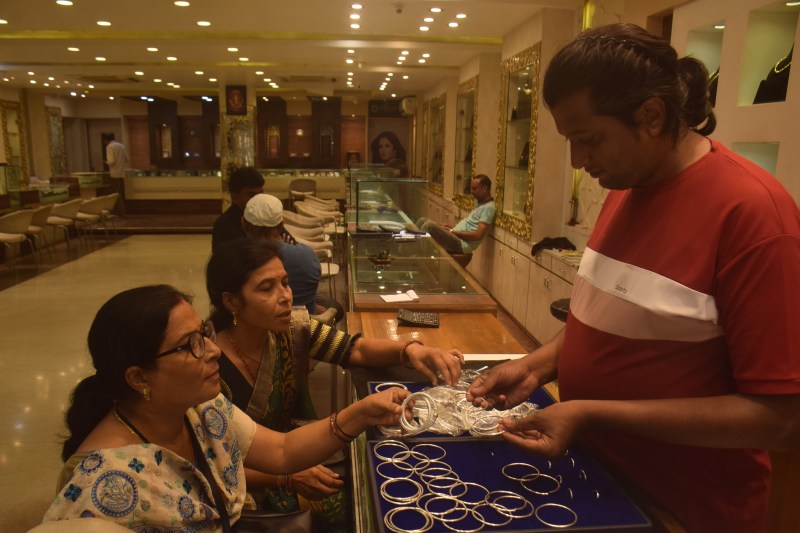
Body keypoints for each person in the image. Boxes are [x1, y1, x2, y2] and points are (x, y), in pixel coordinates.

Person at [466, 23, 800, 533]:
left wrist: (592, 412)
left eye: (589, 140)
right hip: (599, 483)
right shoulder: (625, 186)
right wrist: (538, 365)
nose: (579, 161)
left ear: (651, 116)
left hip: (683, 510)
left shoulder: (754, 215)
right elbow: (610, 314)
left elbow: (780, 418)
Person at [41, 285, 408, 530]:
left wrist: (361, 413)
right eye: (190, 344)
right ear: (138, 378)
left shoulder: (199, 407)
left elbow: (282, 450)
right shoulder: (101, 486)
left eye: (204, 334)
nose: (213, 350)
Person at [206, 239, 464, 530]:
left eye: (285, 283)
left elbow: (353, 349)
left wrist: (410, 350)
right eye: (267, 289)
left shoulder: (290, 329)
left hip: (294, 451)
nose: (286, 296)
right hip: (244, 488)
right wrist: (284, 477)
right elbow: (211, 462)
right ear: (231, 302)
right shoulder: (207, 367)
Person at [243, 193, 344, 321]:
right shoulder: (306, 255)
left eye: (285, 283)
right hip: (308, 328)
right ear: (282, 224)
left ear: (244, 224)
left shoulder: (239, 262)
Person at [416, 174, 495, 255]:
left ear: (484, 188)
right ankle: (416, 252)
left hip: (462, 244)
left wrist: (453, 232)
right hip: (456, 236)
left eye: (474, 189)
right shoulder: (481, 205)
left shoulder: (489, 208)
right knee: (422, 220)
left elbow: (477, 236)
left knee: (429, 226)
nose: (472, 192)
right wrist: (451, 228)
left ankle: (420, 256)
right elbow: (469, 227)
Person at [212, 166, 264, 252]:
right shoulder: (225, 226)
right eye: (251, 195)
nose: (258, 199)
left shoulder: (263, 216)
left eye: (261, 194)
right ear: (235, 197)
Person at [104, 133, 129, 215]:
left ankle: (120, 211)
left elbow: (111, 161)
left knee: (116, 193)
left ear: (106, 140)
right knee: (121, 192)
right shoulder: (121, 146)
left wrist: (105, 162)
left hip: (114, 173)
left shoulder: (110, 147)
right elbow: (127, 159)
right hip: (122, 173)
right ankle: (123, 210)